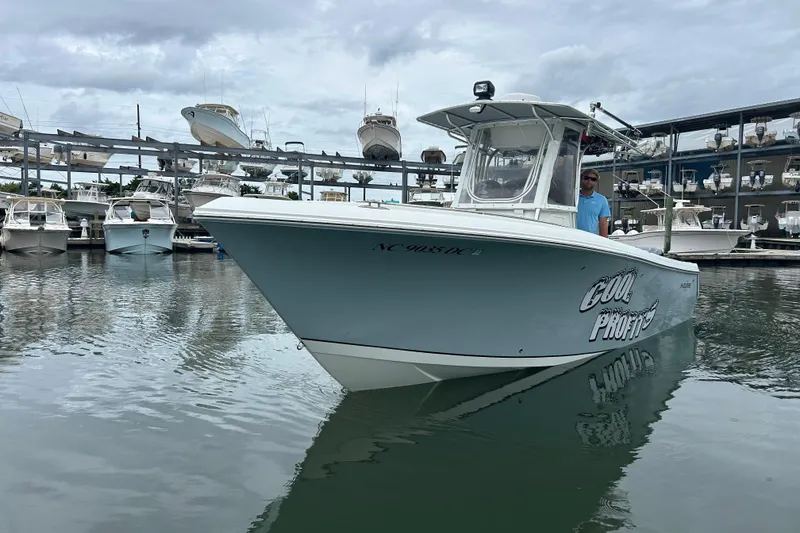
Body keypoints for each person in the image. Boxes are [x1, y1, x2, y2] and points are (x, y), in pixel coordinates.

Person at [576, 169, 610, 237]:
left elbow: (603, 224)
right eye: (586, 178)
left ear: (596, 182)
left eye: (593, 179)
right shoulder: (572, 197)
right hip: (571, 238)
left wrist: (604, 242)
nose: (589, 181)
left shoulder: (602, 200)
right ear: (580, 179)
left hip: (591, 240)